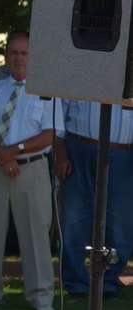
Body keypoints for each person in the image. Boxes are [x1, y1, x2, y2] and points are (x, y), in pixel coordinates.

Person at [0, 31, 63, 310]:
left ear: (33, 57)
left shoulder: (47, 94)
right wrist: (2, 156)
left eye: (24, 53)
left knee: (36, 234)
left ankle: (41, 297)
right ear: (6, 56)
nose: (19, 58)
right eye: (14, 53)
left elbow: (49, 135)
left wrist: (14, 151)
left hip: (32, 170)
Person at [53, 100, 133, 298]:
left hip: (123, 152)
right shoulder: (78, 78)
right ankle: (75, 283)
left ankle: (108, 283)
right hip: (78, 148)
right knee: (73, 218)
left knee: (120, 222)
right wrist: (60, 152)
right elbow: (58, 114)